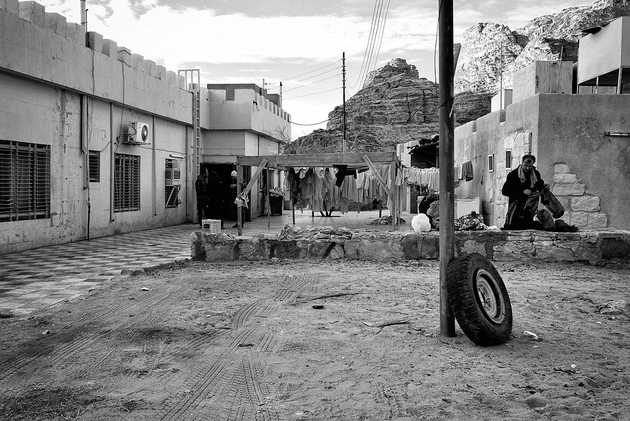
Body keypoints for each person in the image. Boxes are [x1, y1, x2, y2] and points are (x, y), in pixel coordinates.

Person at [501, 154, 545, 230]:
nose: (527, 168)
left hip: (529, 210)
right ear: (522, 163)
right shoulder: (513, 175)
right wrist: (522, 192)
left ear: (532, 165)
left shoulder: (536, 174)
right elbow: (505, 191)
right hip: (516, 208)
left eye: (530, 166)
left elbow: (539, 186)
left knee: (528, 228)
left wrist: (544, 187)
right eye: (525, 165)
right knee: (514, 228)